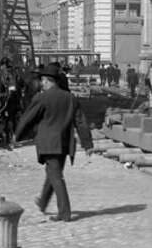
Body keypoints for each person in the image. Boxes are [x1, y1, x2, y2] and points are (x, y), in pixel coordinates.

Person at [14, 62, 93, 223]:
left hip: (49, 143)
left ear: (49, 81)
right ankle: (43, 202)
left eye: (43, 80)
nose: (41, 84)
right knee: (53, 173)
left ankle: (65, 212)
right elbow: (81, 122)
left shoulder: (42, 98)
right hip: (64, 143)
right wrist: (88, 144)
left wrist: (17, 136)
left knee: (56, 177)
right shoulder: (70, 98)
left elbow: (28, 118)